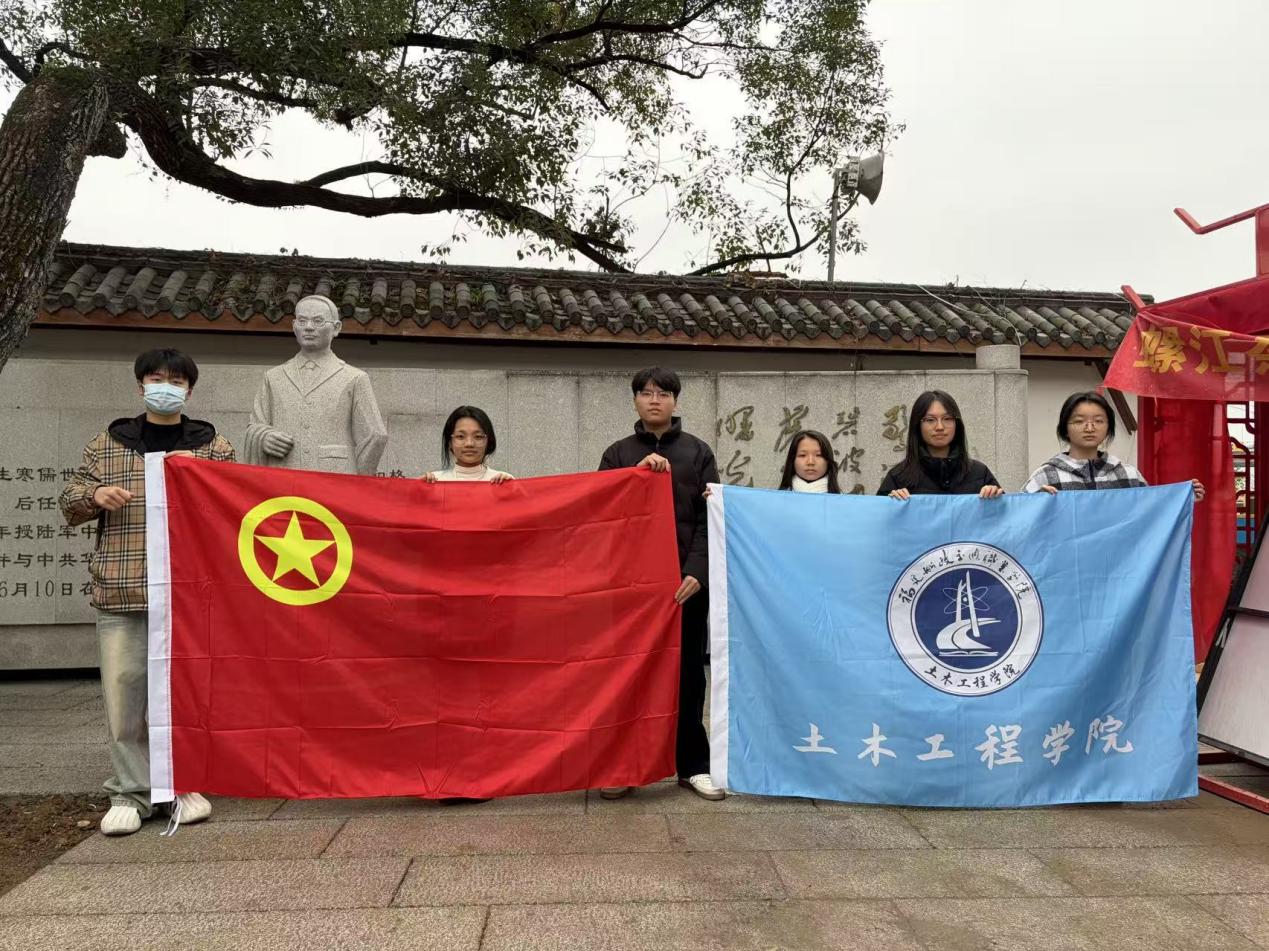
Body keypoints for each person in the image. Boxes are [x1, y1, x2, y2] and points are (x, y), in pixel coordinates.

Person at [58, 349, 235, 836]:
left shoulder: (211, 446)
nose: (165, 388)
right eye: (157, 379)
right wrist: (95, 496)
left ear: (190, 390)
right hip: (123, 587)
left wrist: (202, 481)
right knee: (124, 693)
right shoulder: (109, 443)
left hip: (189, 594)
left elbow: (234, 507)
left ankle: (183, 784)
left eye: (176, 381)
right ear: (140, 386)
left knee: (187, 695)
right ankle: (131, 792)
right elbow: (70, 501)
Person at [598, 367, 724, 801]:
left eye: (664, 393)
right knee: (630, 673)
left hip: (685, 586)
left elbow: (711, 518)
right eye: (647, 393)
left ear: (675, 401)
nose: (655, 400)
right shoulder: (617, 453)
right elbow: (603, 512)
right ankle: (625, 765)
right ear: (635, 399)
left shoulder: (698, 452)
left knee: (689, 675)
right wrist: (635, 475)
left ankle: (694, 765)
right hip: (633, 587)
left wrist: (697, 571)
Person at [242, 294, 388, 474]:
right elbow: (255, 426)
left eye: (318, 321)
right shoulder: (273, 377)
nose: (309, 327)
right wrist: (264, 438)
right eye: (302, 321)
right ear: (294, 326)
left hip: (333, 477)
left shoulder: (354, 378)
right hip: (284, 476)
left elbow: (375, 435)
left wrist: (357, 479)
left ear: (336, 328)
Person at [1022, 391, 1206, 499]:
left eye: (1098, 421)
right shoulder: (1046, 476)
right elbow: (1018, 521)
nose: (1090, 428)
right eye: (1079, 421)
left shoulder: (1128, 475)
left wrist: (1183, 498)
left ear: (1108, 427)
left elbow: (1152, 512)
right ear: (1065, 428)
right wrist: (1034, 503)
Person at [877, 390, 1005, 500]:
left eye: (947, 419)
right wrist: (890, 504)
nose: (939, 427)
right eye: (930, 420)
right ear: (917, 425)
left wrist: (995, 498)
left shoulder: (979, 473)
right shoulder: (898, 477)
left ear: (957, 424)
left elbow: (1004, 517)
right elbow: (878, 517)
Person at [423, 406, 514, 483]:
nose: (469, 443)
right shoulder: (436, 481)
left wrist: (511, 488)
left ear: (488, 441)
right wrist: (419, 488)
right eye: (460, 436)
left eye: (478, 436)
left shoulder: (502, 481)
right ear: (450, 442)